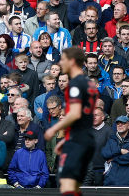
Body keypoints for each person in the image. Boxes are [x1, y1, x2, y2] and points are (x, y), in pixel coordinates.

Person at [44, 46, 95, 196]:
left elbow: (74, 114)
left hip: (79, 141)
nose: (60, 64)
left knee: (66, 183)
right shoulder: (87, 82)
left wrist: (53, 129)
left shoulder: (75, 85)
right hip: (82, 138)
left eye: (64, 60)